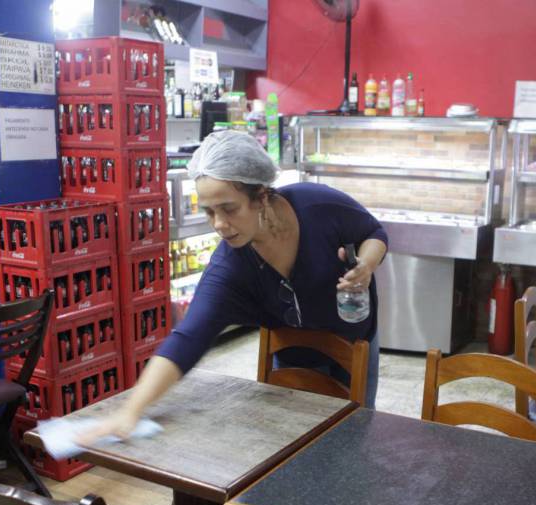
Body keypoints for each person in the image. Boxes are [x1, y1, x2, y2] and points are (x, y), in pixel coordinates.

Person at [82, 130, 387, 442]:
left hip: (354, 336)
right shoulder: (232, 267)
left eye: (229, 209)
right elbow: (187, 338)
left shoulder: (319, 207)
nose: (219, 224)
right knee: (295, 441)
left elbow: (373, 231)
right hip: (296, 354)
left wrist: (366, 264)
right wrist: (131, 411)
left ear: (261, 196)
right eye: (209, 211)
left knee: (355, 435)